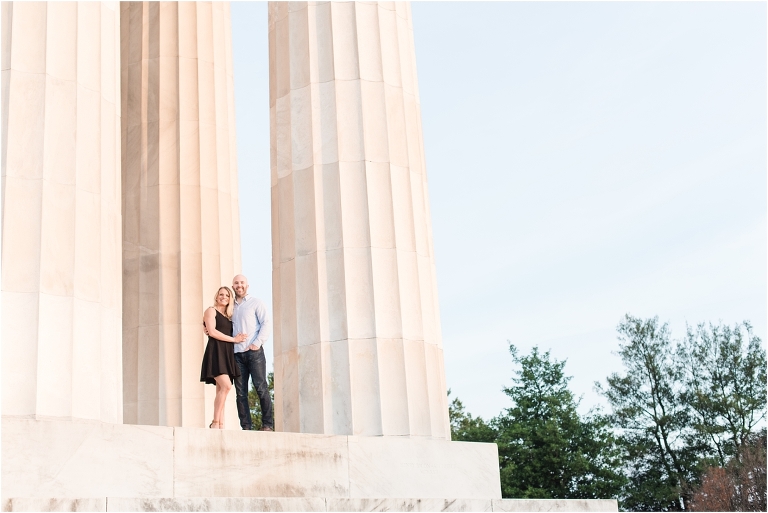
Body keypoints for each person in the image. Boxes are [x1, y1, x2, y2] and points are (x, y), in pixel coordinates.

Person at [200, 286, 248, 429]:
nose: (224, 297)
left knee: (221, 389)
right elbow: (213, 332)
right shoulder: (210, 310)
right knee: (226, 386)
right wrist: (234, 340)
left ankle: (220, 423)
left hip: (226, 353)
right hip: (216, 352)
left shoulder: (229, 315)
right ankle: (215, 422)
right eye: (221, 294)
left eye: (227, 295)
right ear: (217, 296)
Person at [231, 274, 274, 431]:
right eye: (236, 283)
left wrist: (257, 343)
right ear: (233, 286)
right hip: (237, 354)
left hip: (254, 353)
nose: (239, 285)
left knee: (261, 387)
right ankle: (246, 427)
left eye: (242, 283)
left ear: (247, 285)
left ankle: (267, 425)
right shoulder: (231, 307)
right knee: (240, 393)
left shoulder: (256, 303)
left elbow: (266, 323)